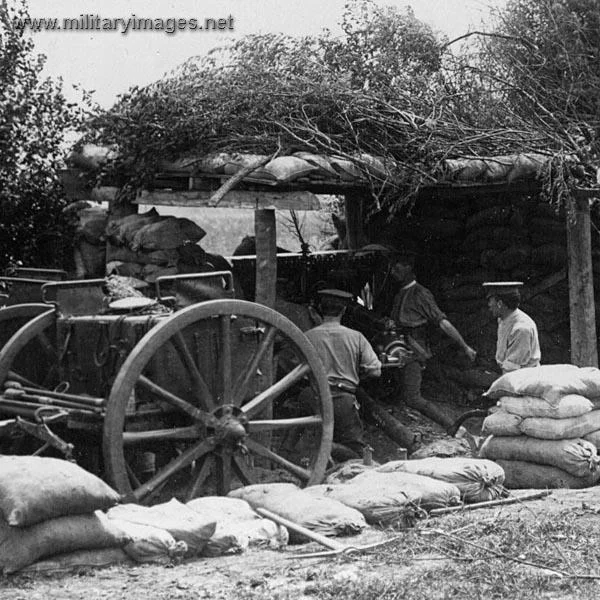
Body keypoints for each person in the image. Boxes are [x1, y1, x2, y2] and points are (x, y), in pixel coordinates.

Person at [378, 246, 477, 408]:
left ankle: (452, 423)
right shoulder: (399, 293)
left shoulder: (420, 293)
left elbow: (442, 322)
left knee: (413, 396)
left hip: (414, 348)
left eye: (396, 268)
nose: (392, 272)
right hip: (398, 347)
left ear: (408, 268)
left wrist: (465, 347)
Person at [302, 289, 382, 458]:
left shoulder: (307, 337)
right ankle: (327, 449)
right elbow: (375, 371)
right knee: (356, 451)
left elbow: (293, 369)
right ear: (344, 310)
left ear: (320, 309)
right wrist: (358, 375)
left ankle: (313, 451)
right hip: (343, 399)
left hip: (313, 397)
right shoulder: (356, 337)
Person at [483, 281, 541, 373]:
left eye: (491, 301)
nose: (489, 305)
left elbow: (513, 368)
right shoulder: (503, 319)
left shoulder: (521, 329)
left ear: (500, 304)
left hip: (523, 378)